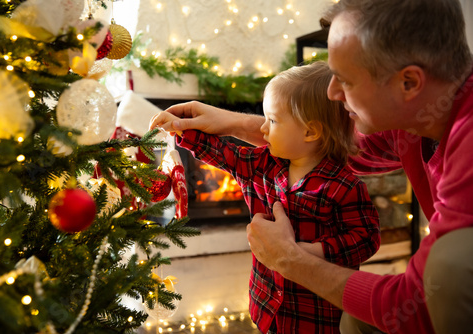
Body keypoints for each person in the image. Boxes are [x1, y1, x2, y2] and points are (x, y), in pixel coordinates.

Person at [147, 1, 473, 333]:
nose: (332, 93)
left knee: (449, 263)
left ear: (409, 83)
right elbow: (331, 147)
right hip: (273, 313)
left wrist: (289, 259)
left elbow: (417, 305)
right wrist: (233, 123)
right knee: (358, 322)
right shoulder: (412, 123)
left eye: (344, 80)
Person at [150, 61, 380, 334]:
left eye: (272, 120)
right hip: (266, 307)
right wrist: (182, 129)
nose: (262, 129)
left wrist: (310, 252)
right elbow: (225, 154)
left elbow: (365, 239)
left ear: (310, 131)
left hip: (316, 319)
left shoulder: (344, 185)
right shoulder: (263, 164)